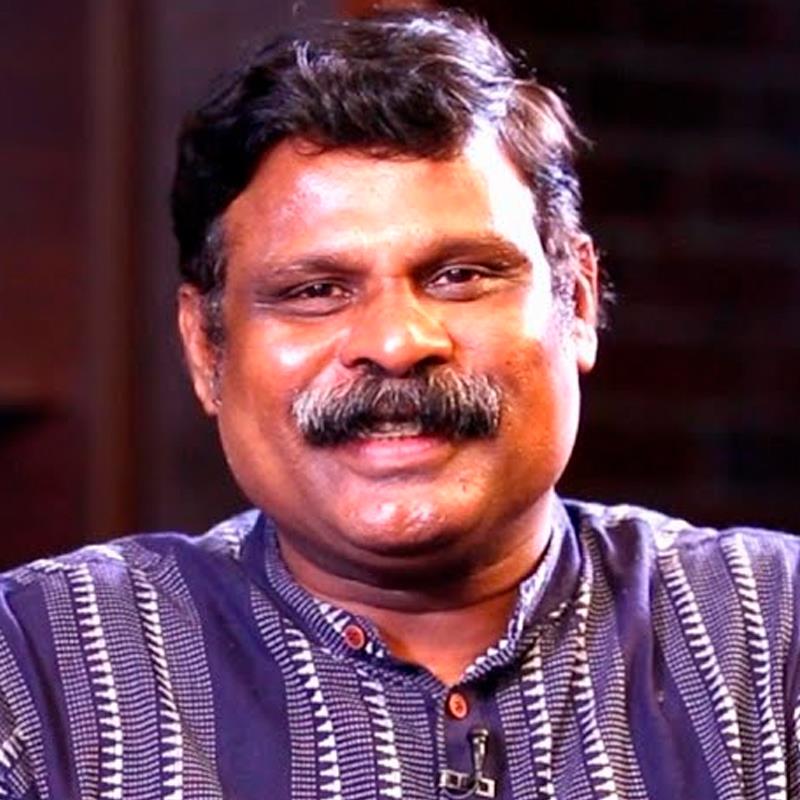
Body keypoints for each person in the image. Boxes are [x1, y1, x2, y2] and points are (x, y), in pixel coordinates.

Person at [1, 8, 798, 799]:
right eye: (315, 291)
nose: (395, 342)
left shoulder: (773, 634)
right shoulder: (42, 670)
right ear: (207, 350)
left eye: (460, 276)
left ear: (579, 302)